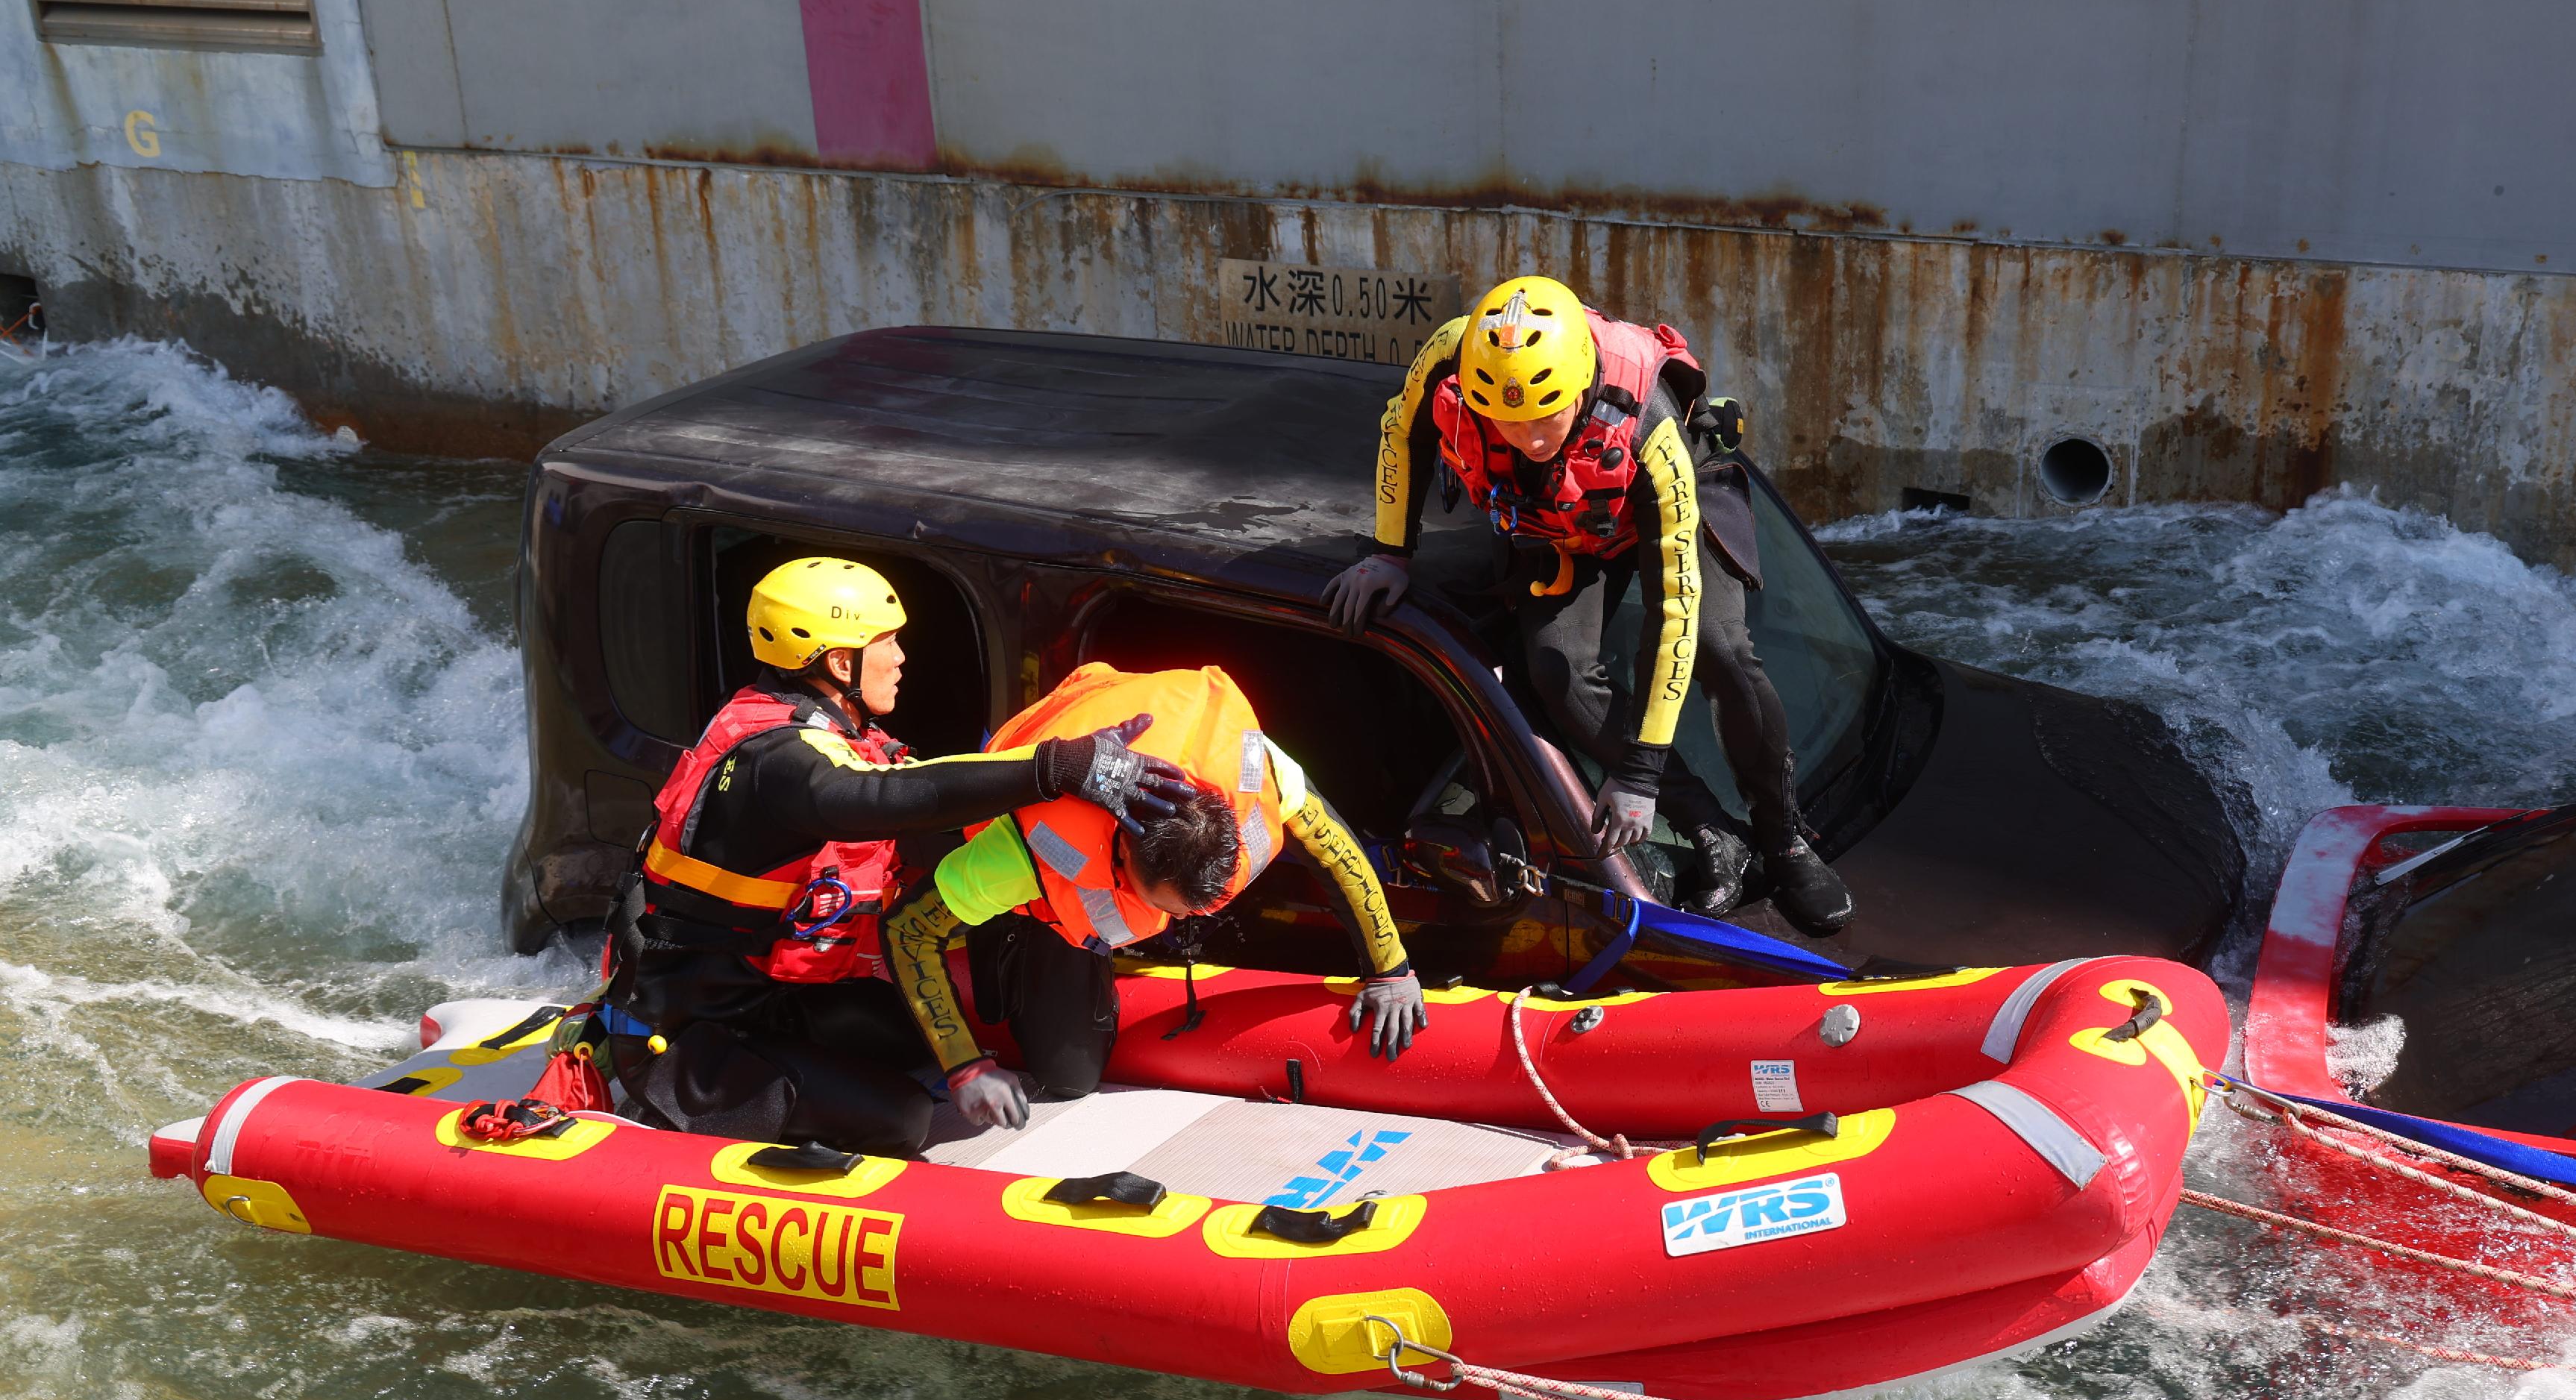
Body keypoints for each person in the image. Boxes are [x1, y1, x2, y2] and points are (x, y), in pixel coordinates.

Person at [604, 557, 1191, 1158]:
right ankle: (667, 1111)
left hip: (769, 1000)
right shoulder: (776, 761)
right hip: (685, 1036)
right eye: (886, 641)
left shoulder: (828, 728)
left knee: (916, 1048)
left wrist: (1071, 784)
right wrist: (1060, 766)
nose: (902, 655)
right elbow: (874, 798)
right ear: (839, 663)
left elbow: (927, 797)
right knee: (901, 1118)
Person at [1325, 275, 1852, 935]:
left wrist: (1636, 773)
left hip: (1662, 511)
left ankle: (1783, 837)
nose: (1528, 437)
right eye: (1506, 421)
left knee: (1721, 650)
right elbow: (1401, 432)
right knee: (1555, 671)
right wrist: (1388, 554)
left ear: (1578, 385)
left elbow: (1674, 612)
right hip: (1560, 524)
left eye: (1545, 416)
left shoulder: (1648, 425)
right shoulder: (1449, 356)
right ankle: (1711, 827)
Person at [883, 660, 1430, 1116]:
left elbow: (1339, 853)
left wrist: (1391, 969)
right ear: (1121, 850)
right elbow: (908, 930)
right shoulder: (1024, 846)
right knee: (1068, 1075)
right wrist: (964, 1064)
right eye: (1153, 902)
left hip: (1168, 719)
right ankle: (1018, 941)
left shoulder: (1253, 772)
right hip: (1050, 791)